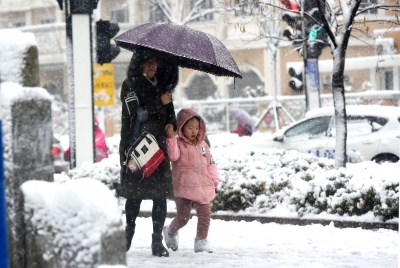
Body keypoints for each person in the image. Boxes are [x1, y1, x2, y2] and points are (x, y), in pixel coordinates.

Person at [118, 47, 178, 257]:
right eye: (148, 62)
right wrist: (157, 102)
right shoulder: (130, 85)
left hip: (158, 150)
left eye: (155, 62)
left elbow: (171, 112)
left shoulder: (163, 85)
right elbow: (134, 113)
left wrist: (172, 125)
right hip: (136, 148)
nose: (153, 66)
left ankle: (156, 242)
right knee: (134, 195)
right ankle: (127, 236)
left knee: (159, 196)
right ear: (139, 63)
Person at [163, 108, 220, 253]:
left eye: (196, 127)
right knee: (183, 217)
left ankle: (201, 241)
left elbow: (210, 162)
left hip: (202, 185)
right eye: (190, 128)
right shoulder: (177, 143)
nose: (194, 131)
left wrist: (214, 179)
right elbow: (174, 157)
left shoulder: (203, 145)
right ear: (182, 127)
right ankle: (170, 232)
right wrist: (170, 138)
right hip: (183, 186)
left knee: (205, 213)